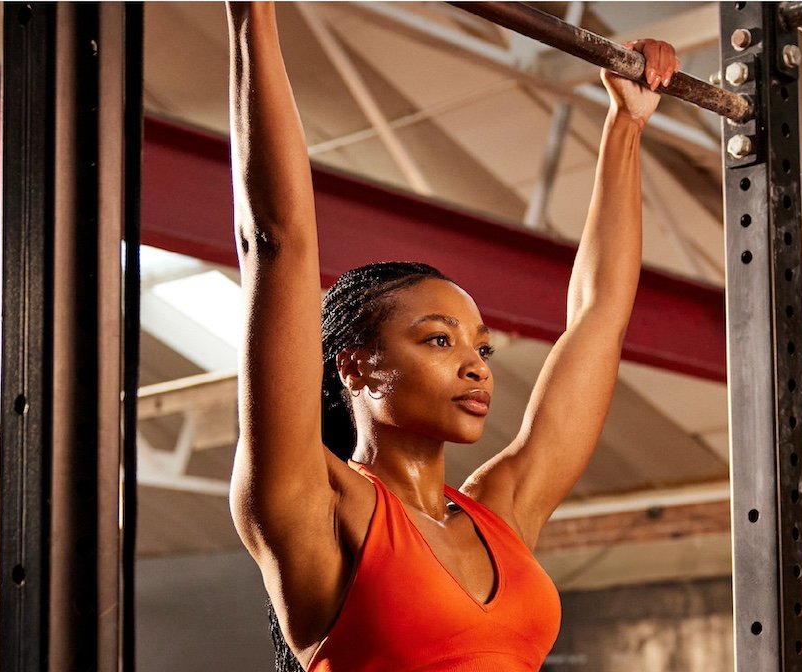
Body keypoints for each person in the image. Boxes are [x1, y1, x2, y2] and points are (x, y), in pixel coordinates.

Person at [222, 3, 679, 670]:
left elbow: (598, 316)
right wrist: (251, 15)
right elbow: (277, 242)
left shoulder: (503, 511)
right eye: (439, 340)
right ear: (355, 368)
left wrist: (626, 125)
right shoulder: (316, 506)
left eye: (480, 346)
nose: (476, 366)